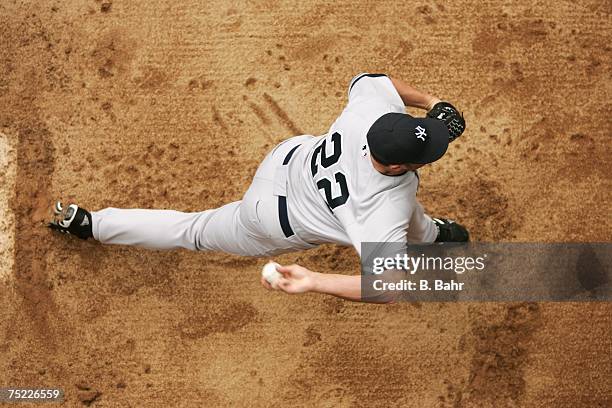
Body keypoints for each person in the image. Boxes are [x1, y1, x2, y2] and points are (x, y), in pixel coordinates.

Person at [49, 73, 468, 303]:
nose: (434, 147)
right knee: (193, 233)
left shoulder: (370, 114)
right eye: (427, 149)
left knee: (407, 208)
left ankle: (89, 222)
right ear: (396, 163)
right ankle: (435, 236)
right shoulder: (381, 211)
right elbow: (385, 286)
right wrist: (314, 281)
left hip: (285, 162)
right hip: (269, 222)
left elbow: (378, 83)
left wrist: (433, 106)